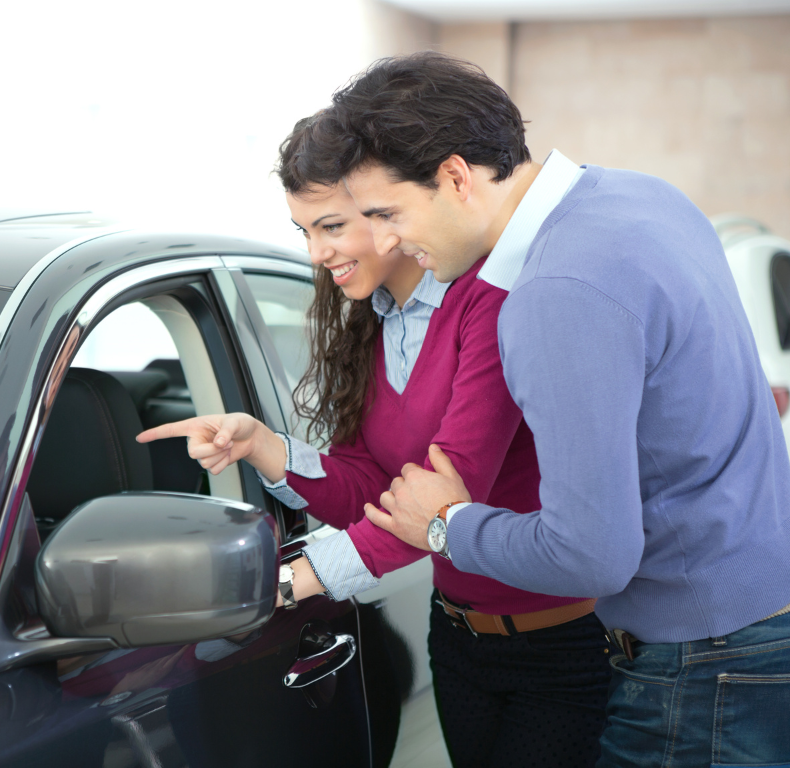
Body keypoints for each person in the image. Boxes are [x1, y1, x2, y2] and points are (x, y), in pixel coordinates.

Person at [314, 52, 790, 767]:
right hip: (757, 624)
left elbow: (592, 554)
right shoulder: (639, 196)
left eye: (387, 212)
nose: (383, 242)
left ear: (454, 176)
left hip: (699, 661)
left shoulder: (555, 291)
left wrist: (444, 525)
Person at [137, 113, 612, 768]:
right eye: (305, 232)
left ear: (384, 207)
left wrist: (281, 586)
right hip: (456, 637)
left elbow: (444, 497)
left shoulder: (488, 303)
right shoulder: (372, 321)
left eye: (332, 227)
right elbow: (368, 492)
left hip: (559, 645)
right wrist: (263, 446)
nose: (315, 254)